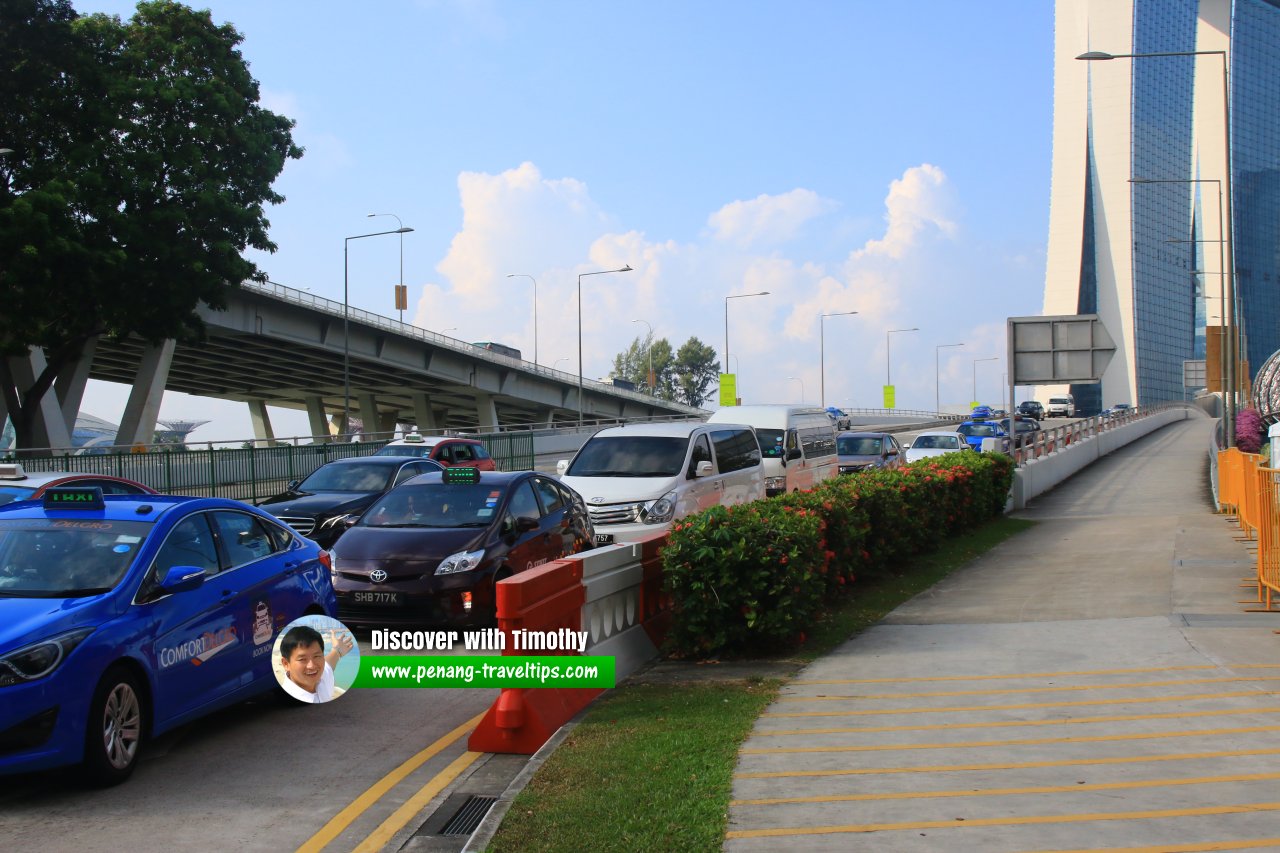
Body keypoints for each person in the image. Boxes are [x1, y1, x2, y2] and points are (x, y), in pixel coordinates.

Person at [278, 624, 354, 704]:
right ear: (286, 664)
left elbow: (329, 663)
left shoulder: (322, 677)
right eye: (302, 659)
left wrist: (337, 651)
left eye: (316, 656)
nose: (312, 666)